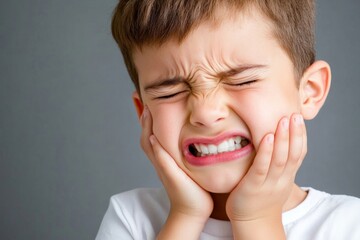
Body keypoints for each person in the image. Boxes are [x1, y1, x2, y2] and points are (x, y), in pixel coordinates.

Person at [96, 0, 360, 239]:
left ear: (310, 91)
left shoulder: (349, 225)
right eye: (170, 92)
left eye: (242, 80)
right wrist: (185, 215)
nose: (205, 113)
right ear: (144, 113)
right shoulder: (131, 218)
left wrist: (257, 220)